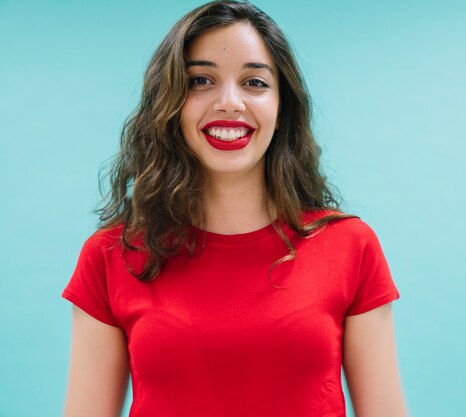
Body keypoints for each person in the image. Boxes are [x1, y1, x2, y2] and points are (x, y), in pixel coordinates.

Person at [61, 1, 408, 416]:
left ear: (282, 110)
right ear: (169, 105)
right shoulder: (110, 254)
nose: (229, 102)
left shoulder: (351, 246)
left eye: (254, 83)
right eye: (201, 80)